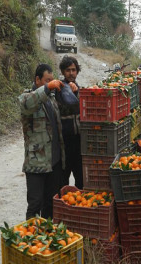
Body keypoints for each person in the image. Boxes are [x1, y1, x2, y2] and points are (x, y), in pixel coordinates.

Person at [18, 63, 65, 220]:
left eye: (51, 80)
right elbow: (26, 105)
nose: (49, 84)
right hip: (36, 164)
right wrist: (46, 88)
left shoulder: (51, 99)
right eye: (46, 80)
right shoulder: (27, 97)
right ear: (37, 80)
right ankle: (32, 240)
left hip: (54, 162)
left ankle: (47, 236)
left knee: (51, 204)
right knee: (35, 205)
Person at [57, 56, 83, 189]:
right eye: (68, 70)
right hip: (64, 144)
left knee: (81, 180)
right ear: (63, 72)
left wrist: (77, 93)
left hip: (79, 143)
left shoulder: (81, 90)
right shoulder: (58, 90)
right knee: (62, 181)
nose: (71, 73)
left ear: (77, 71)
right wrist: (69, 92)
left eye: (73, 70)